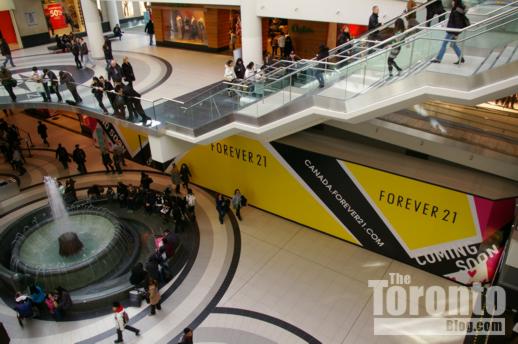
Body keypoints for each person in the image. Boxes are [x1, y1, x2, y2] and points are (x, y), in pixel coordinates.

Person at [431, 0, 469, 65]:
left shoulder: (456, 11)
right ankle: (461, 58)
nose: (452, 2)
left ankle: (438, 59)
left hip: (452, 31)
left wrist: (456, 34)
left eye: (453, 1)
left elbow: (458, 24)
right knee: (453, 45)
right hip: (452, 30)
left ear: (456, 2)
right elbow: (454, 21)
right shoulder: (457, 10)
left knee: (444, 44)